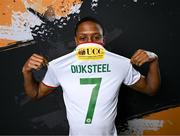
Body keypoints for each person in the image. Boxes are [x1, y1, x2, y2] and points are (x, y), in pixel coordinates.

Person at [22, 17, 161, 136]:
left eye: (96, 37)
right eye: (83, 38)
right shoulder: (59, 66)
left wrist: (154, 59)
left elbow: (150, 89)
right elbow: (36, 94)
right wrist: (26, 72)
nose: (90, 42)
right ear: (76, 41)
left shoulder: (121, 63)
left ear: (103, 39)